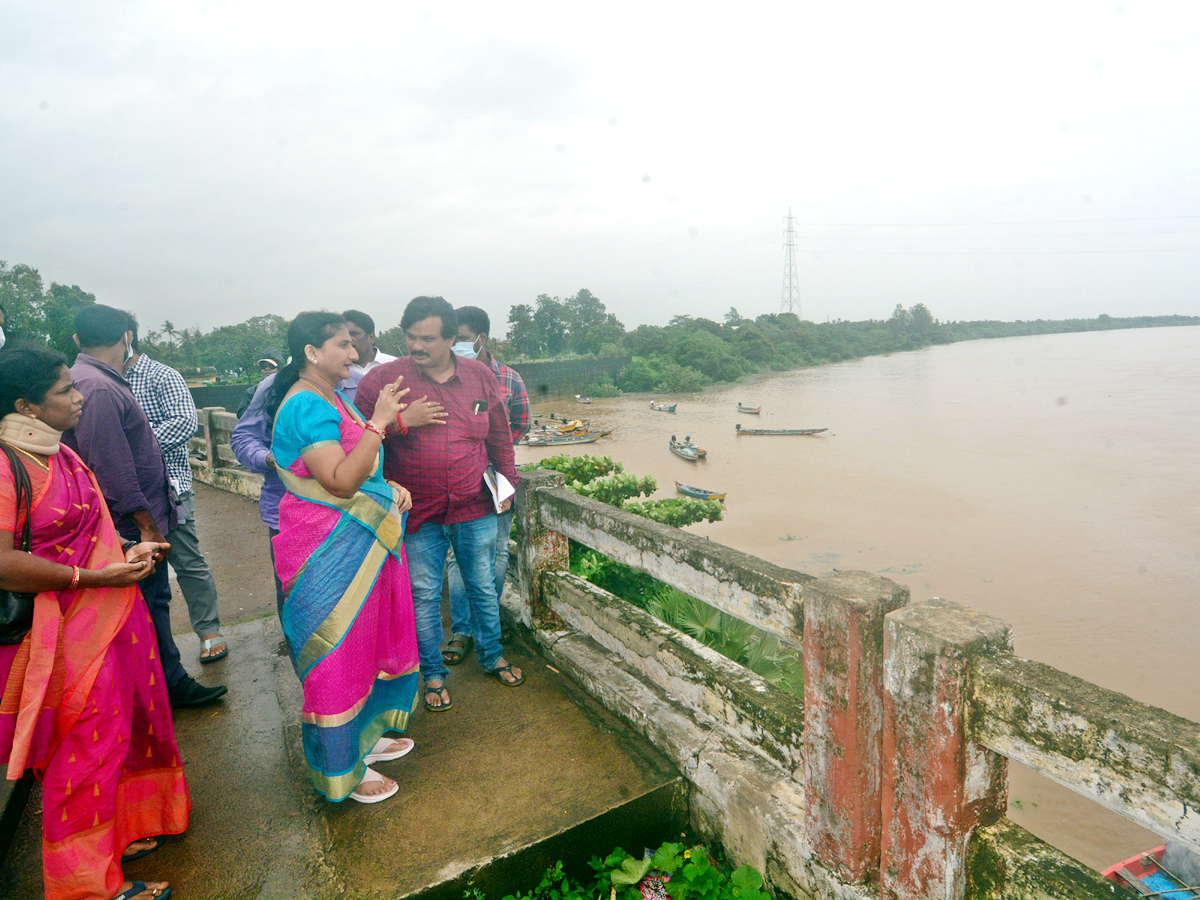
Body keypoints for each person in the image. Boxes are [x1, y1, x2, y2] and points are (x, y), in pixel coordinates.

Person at [0, 346, 187, 900]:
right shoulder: (7, 466)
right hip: (55, 634)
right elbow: (4, 562)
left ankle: (118, 835)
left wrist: (127, 551)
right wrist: (92, 579)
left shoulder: (61, 456)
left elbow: (83, 531)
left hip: (105, 620)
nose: (79, 396)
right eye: (64, 391)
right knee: (83, 747)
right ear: (25, 406)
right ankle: (87, 888)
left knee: (118, 731)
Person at [268, 311, 420, 803]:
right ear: (312, 352)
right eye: (343, 346)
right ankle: (341, 770)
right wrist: (379, 422)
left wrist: (388, 485)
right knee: (338, 655)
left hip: (360, 544)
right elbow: (337, 481)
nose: (354, 355)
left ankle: (363, 742)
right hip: (327, 551)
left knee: (365, 647)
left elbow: (356, 469)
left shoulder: (329, 397)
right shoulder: (307, 405)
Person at [355, 296, 522, 714]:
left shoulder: (480, 376)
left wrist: (507, 486)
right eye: (410, 337)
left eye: (428, 338)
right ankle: (432, 673)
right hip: (416, 512)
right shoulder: (385, 382)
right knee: (424, 594)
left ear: (451, 338)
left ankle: (492, 655)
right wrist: (399, 422)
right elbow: (354, 440)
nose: (417, 346)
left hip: (473, 505)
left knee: (482, 586)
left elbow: (498, 435)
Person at [63, 304, 226, 709]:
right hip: (132, 518)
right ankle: (165, 684)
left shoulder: (90, 379)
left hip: (149, 504)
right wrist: (147, 527)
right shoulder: (98, 387)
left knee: (159, 594)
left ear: (78, 340)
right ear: (127, 336)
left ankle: (160, 679)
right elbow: (113, 465)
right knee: (149, 600)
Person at [125, 321, 229, 664]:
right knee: (138, 568)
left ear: (127, 337)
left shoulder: (160, 376)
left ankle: (209, 631)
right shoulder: (100, 379)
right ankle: (154, 647)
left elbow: (184, 421)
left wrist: (129, 444)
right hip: (121, 492)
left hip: (170, 487)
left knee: (187, 561)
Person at [441, 305, 531, 667]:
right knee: (456, 557)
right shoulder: (443, 378)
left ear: (482, 339)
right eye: (453, 340)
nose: (456, 346)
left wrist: (494, 450)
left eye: (461, 339)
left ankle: (485, 625)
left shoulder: (509, 378)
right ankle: (463, 628)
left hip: (498, 477)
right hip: (456, 479)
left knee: (496, 553)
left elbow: (522, 422)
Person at [336, 310, 396, 405]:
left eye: (354, 334)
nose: (349, 339)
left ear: (371, 337)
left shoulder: (395, 365)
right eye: (345, 335)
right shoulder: (338, 370)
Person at [236, 349, 283, 418]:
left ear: (280, 368)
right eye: (263, 366)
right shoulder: (251, 392)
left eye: (271, 366)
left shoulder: (287, 390)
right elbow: (241, 414)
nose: (267, 369)